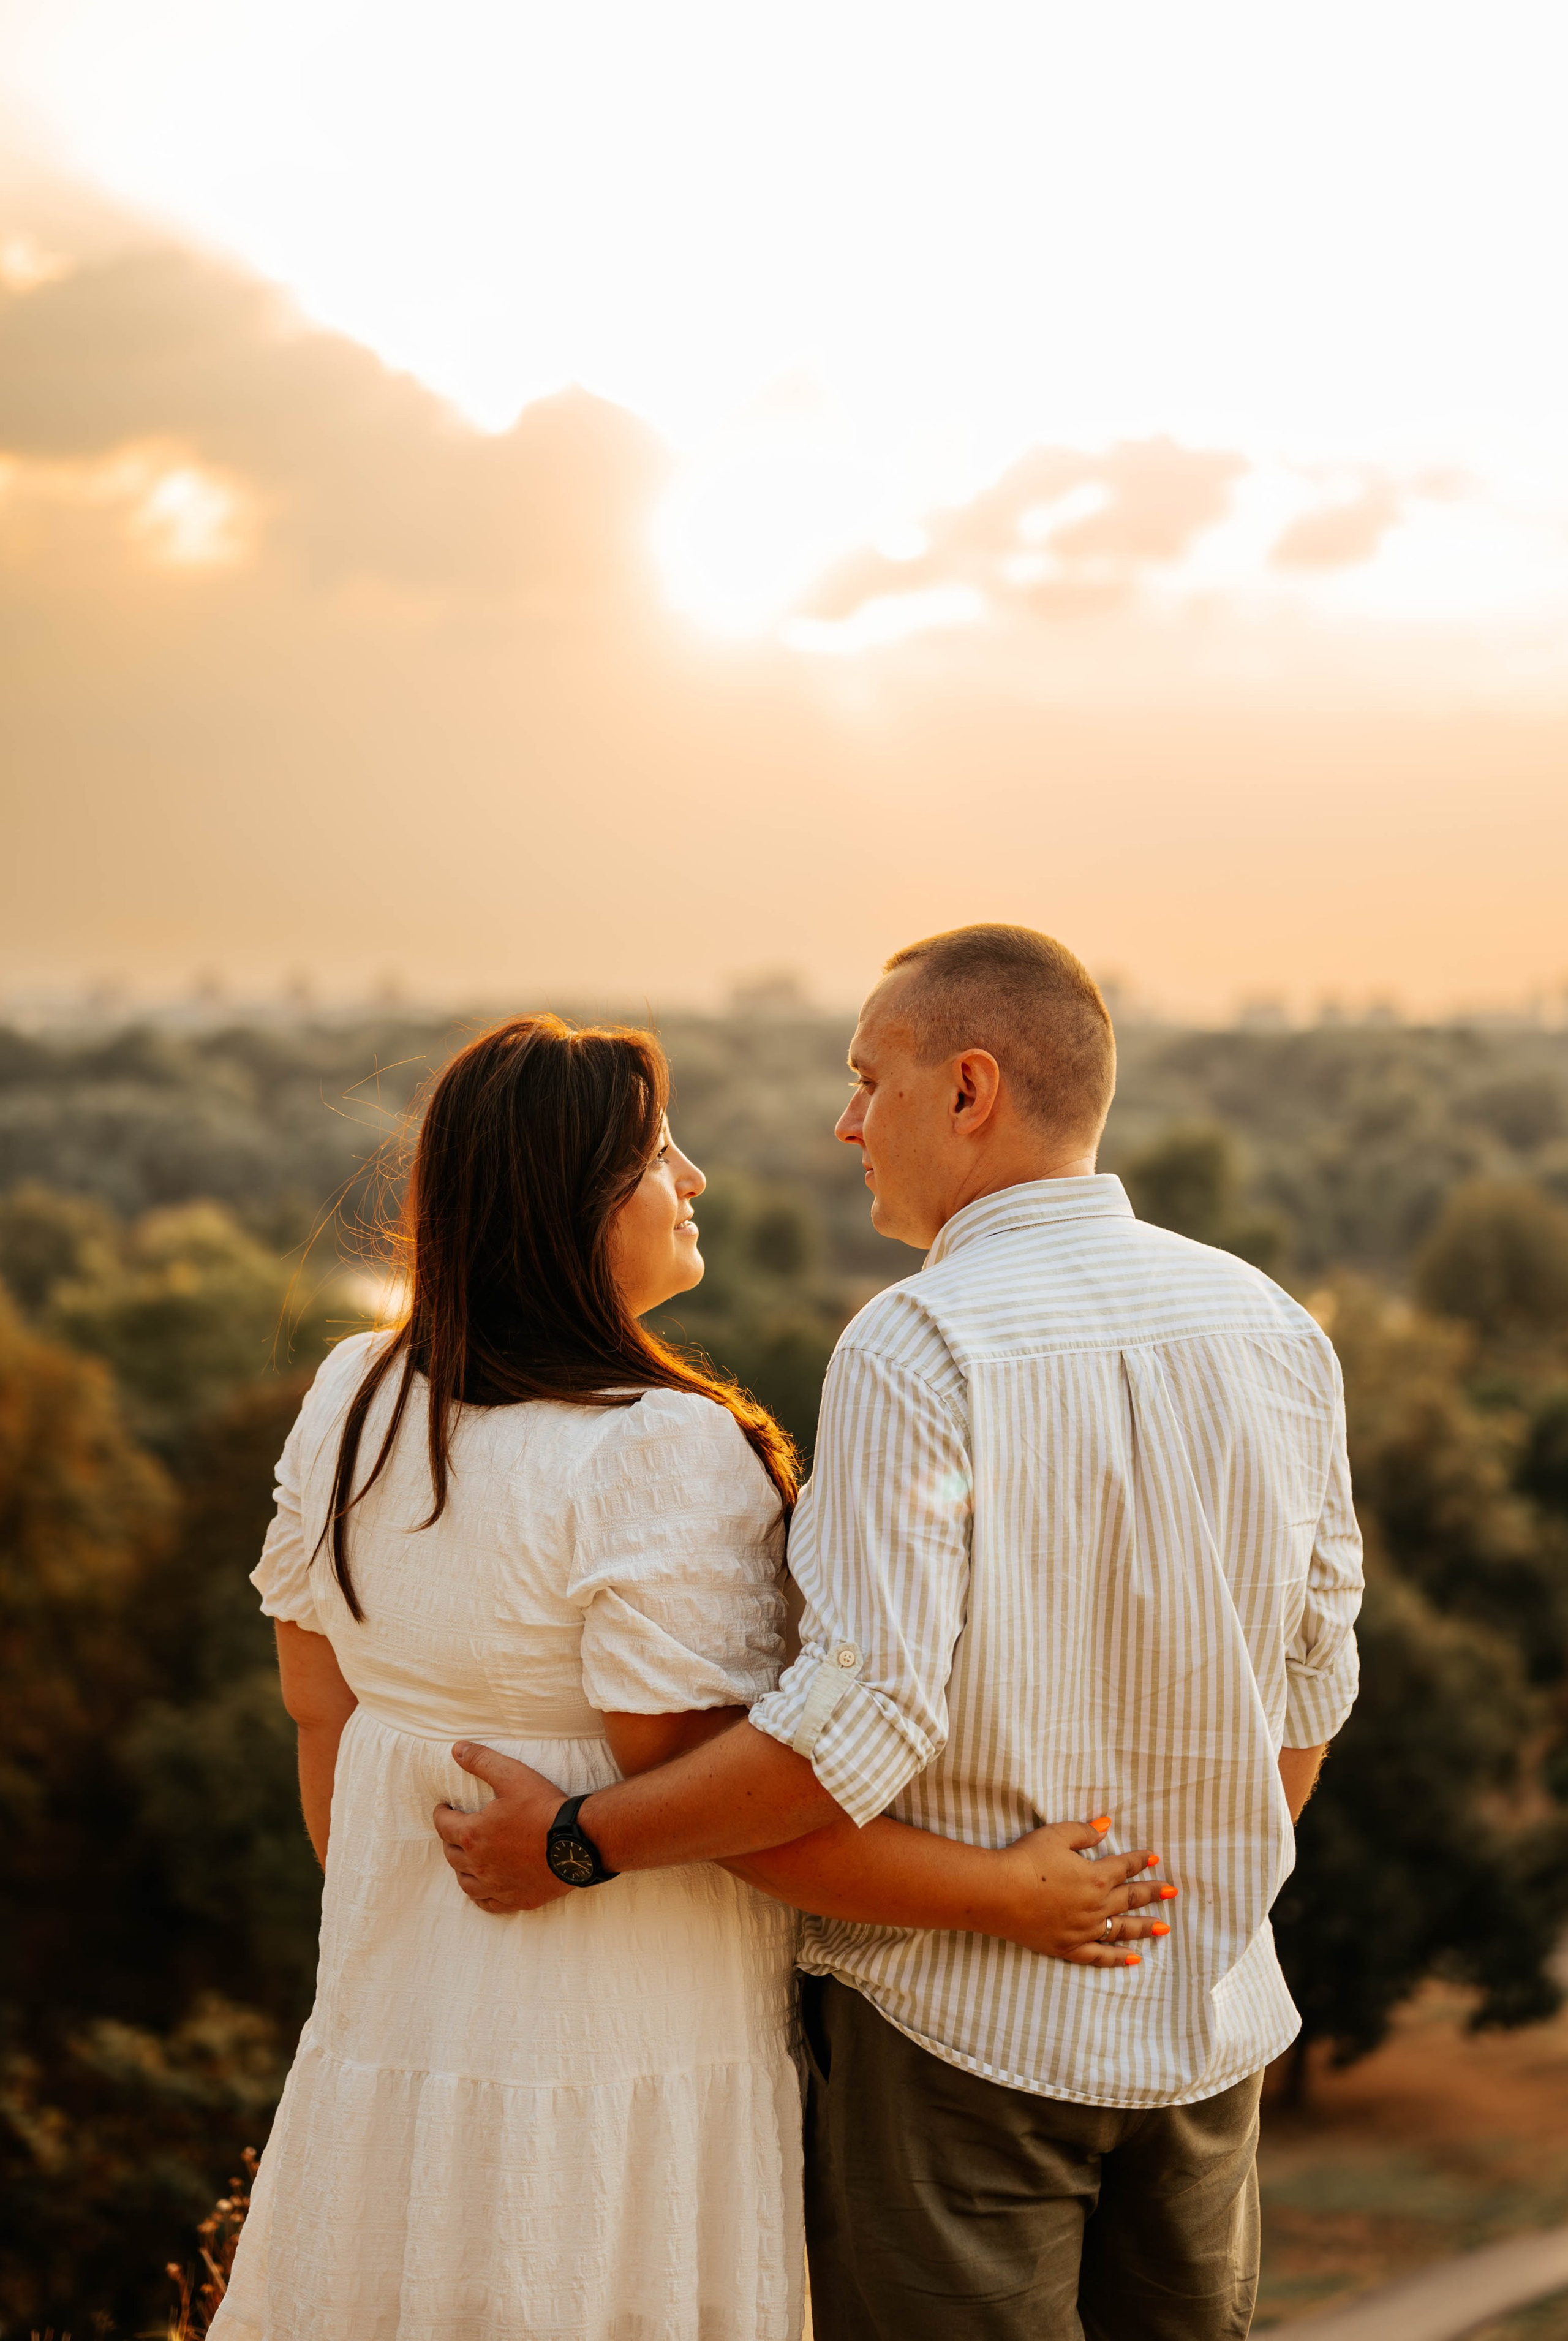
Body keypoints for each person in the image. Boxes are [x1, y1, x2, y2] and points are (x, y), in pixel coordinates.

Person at [439, 928, 1364, 2341]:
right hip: (1203, 2027)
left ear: (969, 1088)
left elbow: (849, 1734)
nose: (846, 1118)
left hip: (955, 2057)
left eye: (869, 1078)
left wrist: (578, 1837)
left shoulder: (917, 1344)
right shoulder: (1274, 1328)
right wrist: (1196, 1897)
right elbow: (1312, 1685)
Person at [211, 1011, 1168, 2341]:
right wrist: (1006, 1892)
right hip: (622, 2048)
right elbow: (728, 1809)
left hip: (392, 2038)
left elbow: (320, 1713)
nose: (694, 1180)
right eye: (662, 1154)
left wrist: (412, 1956)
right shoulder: (653, 1446)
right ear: (572, 1205)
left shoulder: (357, 1396)